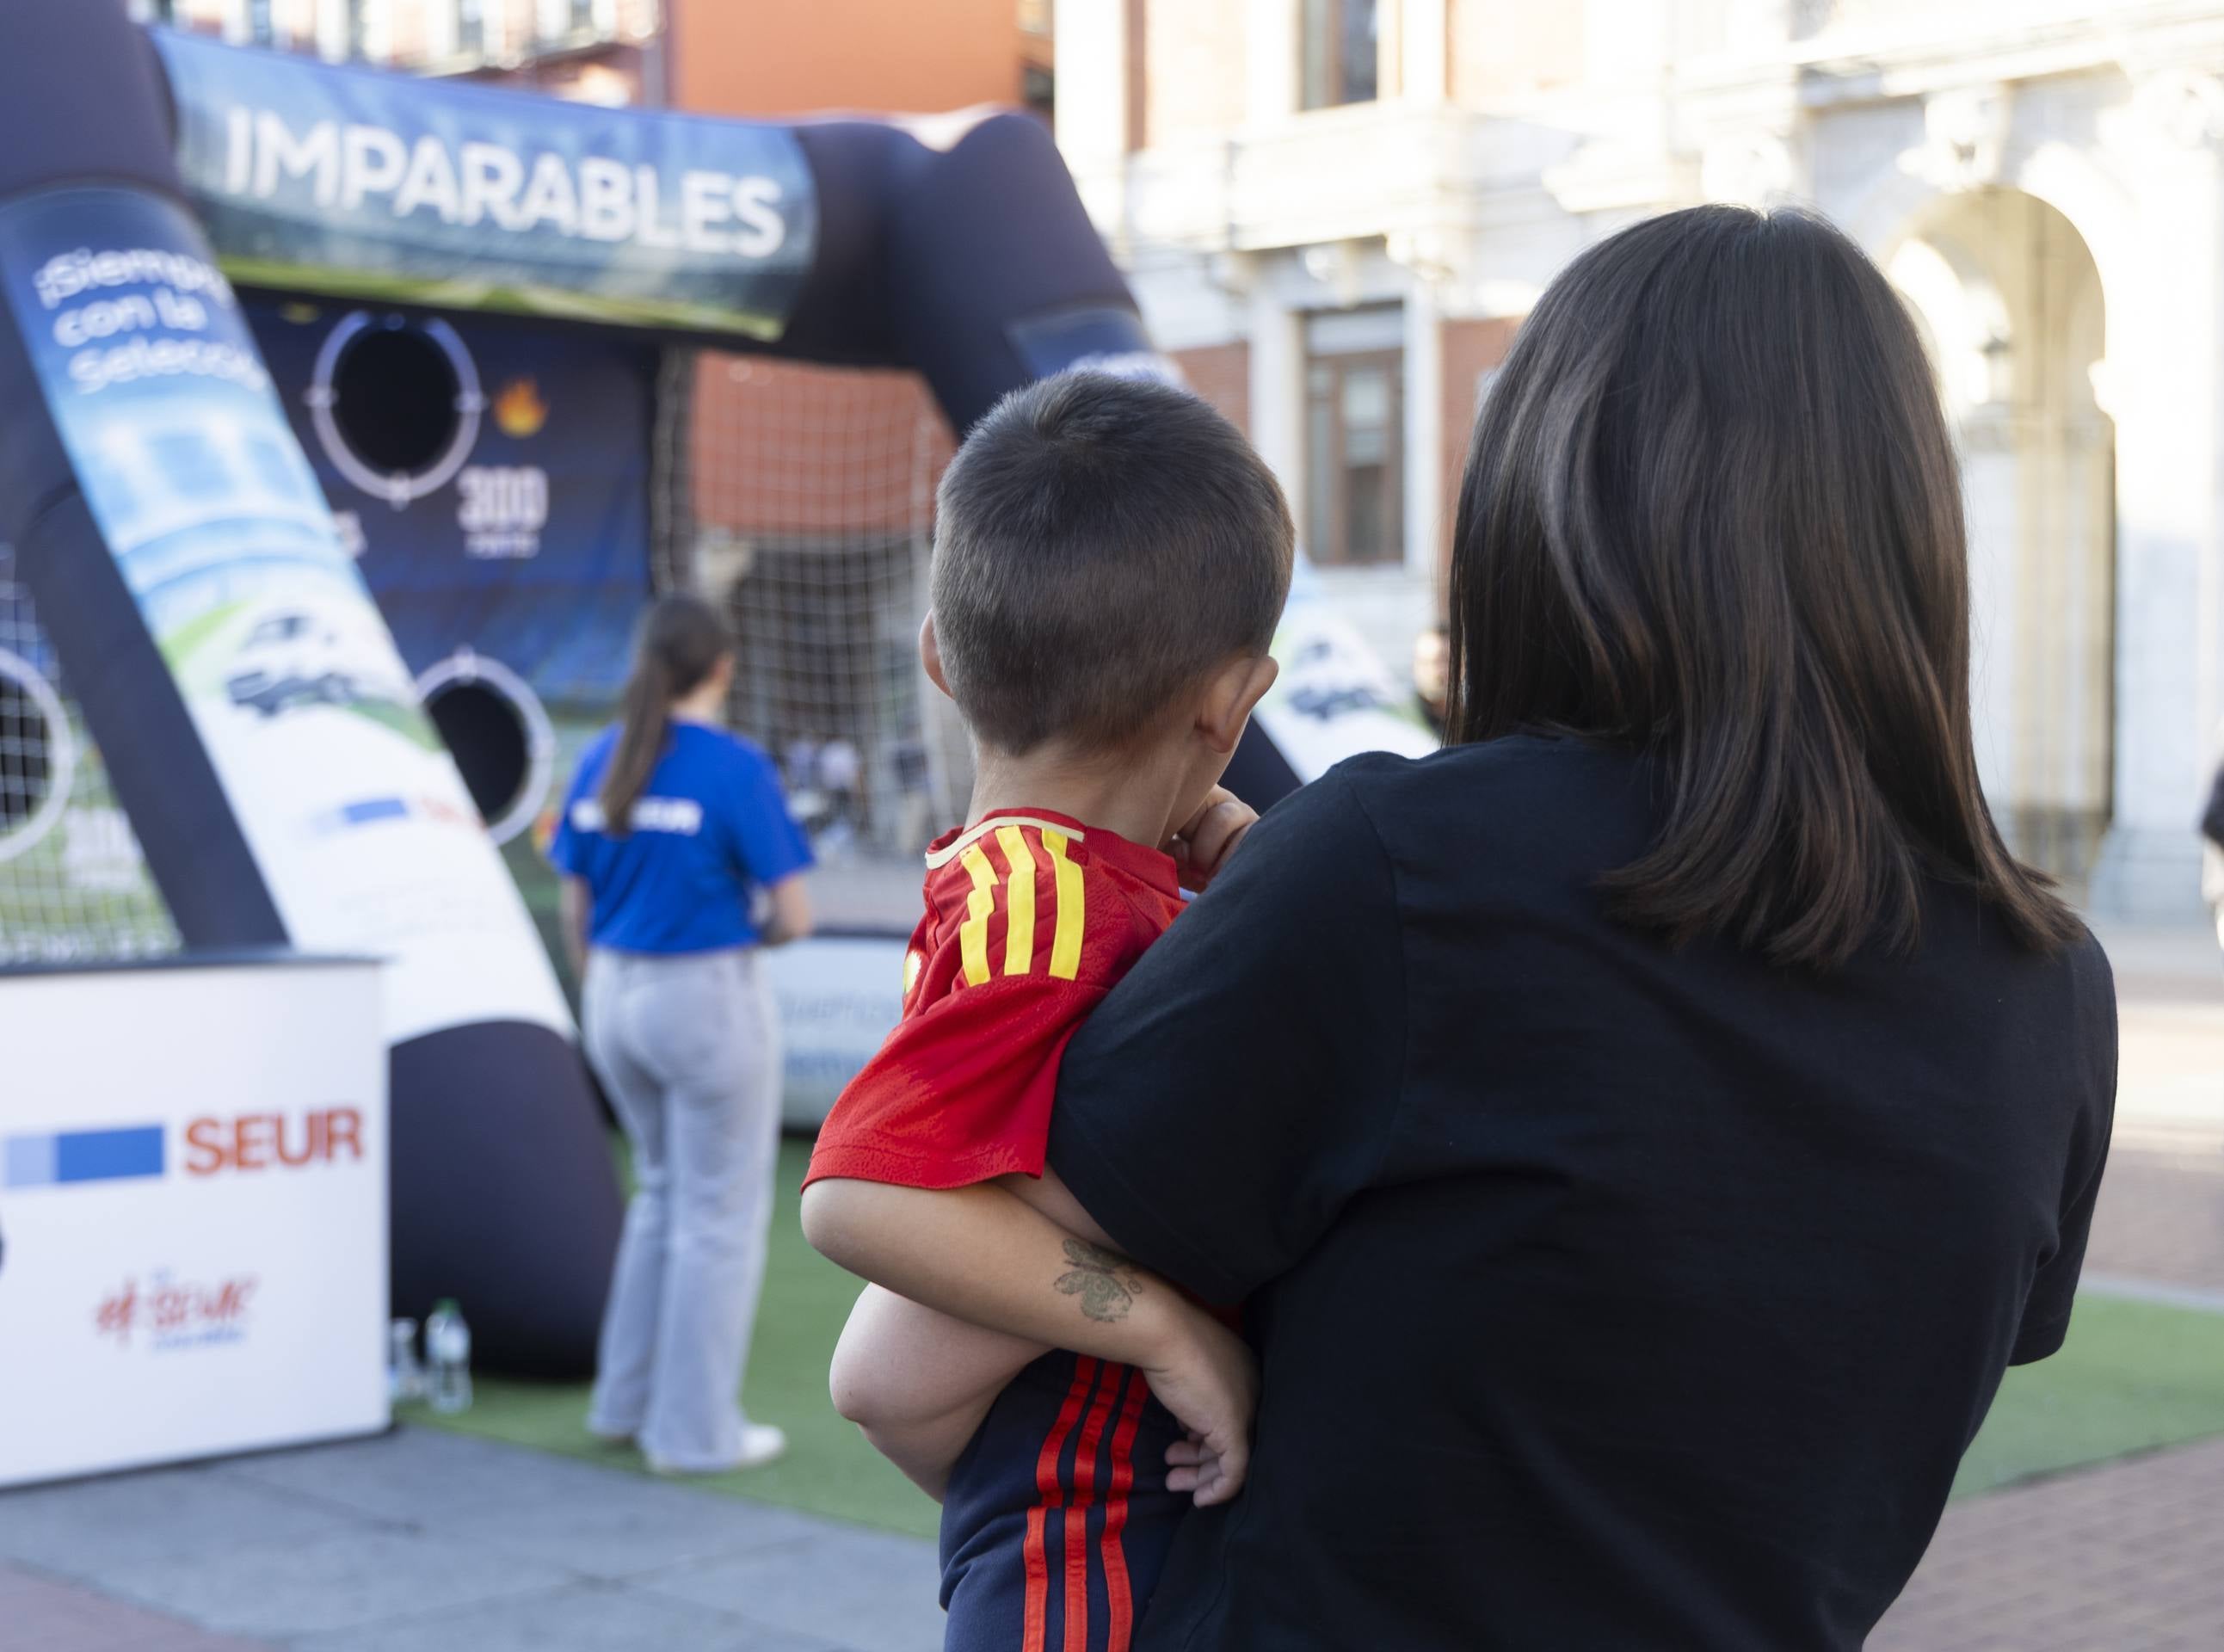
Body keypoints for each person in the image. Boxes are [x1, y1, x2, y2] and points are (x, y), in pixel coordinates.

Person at [804, 206, 2118, 1649]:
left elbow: (899, 1371)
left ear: (1547, 501)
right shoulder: (2054, 994)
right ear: (1913, 531)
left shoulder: (1401, 873)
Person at [801, 372, 1289, 1652]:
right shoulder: (1050, 910)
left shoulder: (1045, 873)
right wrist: (1167, 1331)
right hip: (1080, 1521)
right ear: (1233, 700)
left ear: (939, 659)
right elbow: (855, 1195)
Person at [551, 592, 815, 1475]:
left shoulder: (599, 755)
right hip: (699, 996)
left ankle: (624, 1405)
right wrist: (742, 940)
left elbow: (574, 903)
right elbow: (792, 914)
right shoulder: (731, 766)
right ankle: (693, 1434)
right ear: (721, 668)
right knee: (715, 1218)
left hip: (614, 996)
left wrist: (610, 984)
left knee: (663, 1198)